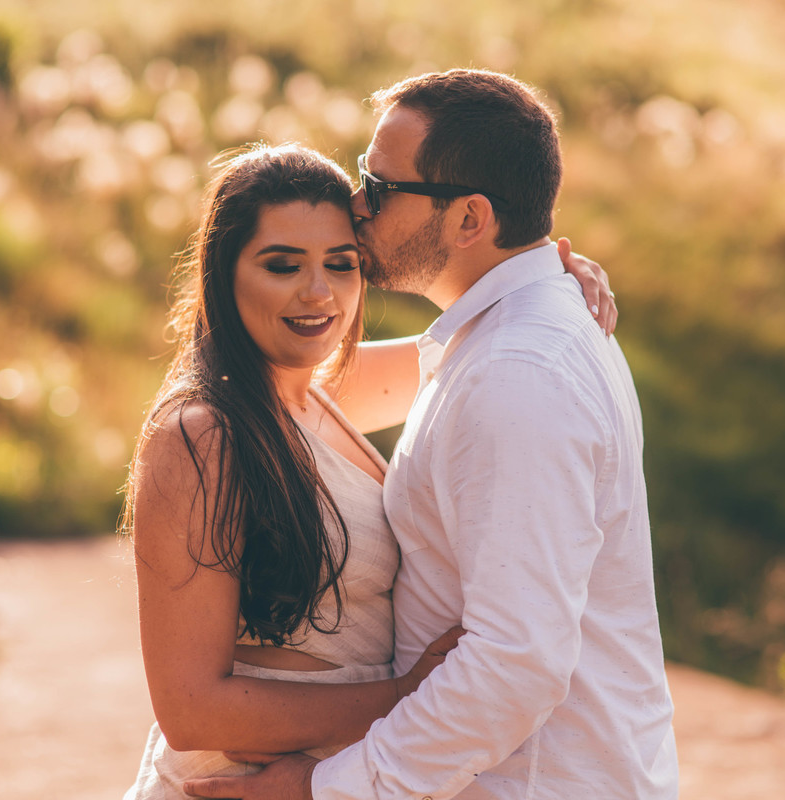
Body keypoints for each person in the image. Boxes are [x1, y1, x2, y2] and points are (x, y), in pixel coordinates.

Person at [185, 70, 678, 800]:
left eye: (380, 188)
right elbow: (278, 387)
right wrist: (543, 276)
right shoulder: (497, 345)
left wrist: (326, 789)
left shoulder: (518, 374)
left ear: (469, 219)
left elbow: (517, 661)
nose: (358, 205)